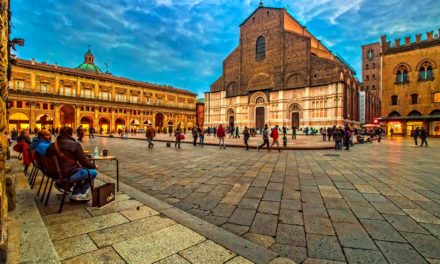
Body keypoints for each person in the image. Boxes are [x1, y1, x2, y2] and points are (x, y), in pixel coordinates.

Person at [46, 126, 97, 201]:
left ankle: (66, 187)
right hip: (67, 175)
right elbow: (84, 163)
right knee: (93, 172)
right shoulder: (74, 144)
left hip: (54, 174)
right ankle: (78, 193)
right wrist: (94, 166)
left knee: (79, 169)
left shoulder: (51, 145)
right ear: (71, 134)